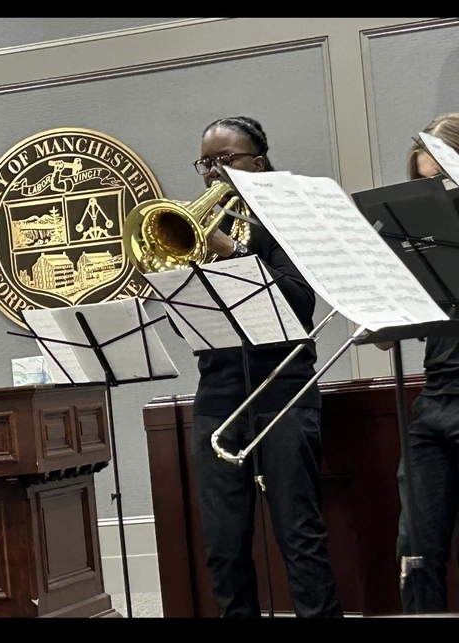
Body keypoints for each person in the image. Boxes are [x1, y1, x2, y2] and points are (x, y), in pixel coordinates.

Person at [188, 116, 343, 617]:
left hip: (282, 392)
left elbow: (300, 303)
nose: (213, 172)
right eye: (206, 162)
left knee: (298, 534)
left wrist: (232, 253)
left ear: (258, 162)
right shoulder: (201, 224)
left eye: (225, 159)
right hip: (218, 395)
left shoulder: (289, 219)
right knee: (223, 545)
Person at [392, 112, 459, 614]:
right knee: (415, 550)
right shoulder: (424, 242)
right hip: (433, 398)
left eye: (440, 178)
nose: (430, 191)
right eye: (422, 182)